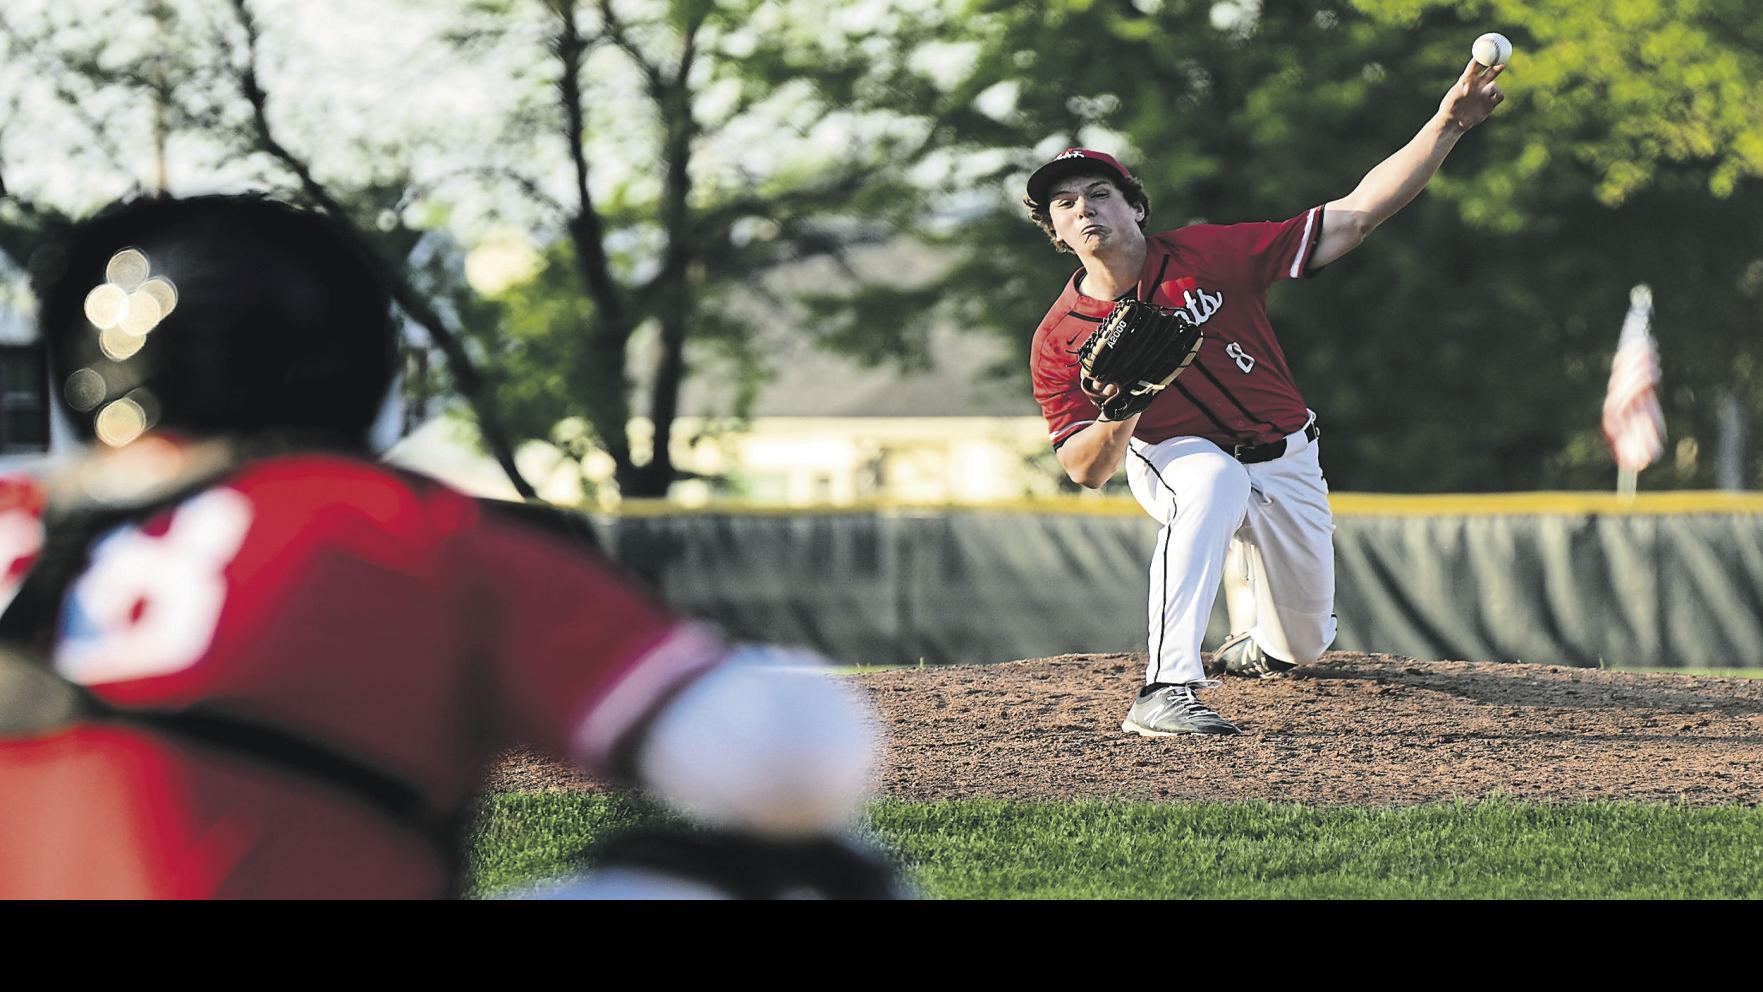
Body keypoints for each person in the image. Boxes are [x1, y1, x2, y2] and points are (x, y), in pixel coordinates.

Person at [0, 194, 884, 898]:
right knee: (803, 880)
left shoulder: (16, 508)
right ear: (350, 357)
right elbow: (791, 765)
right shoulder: (394, 524)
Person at [1024, 60, 1505, 736]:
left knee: (1302, 644)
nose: (1083, 208)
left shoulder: (1206, 254)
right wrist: (1122, 406)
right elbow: (1085, 471)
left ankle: (1260, 650)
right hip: (1173, 454)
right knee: (1211, 478)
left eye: (1098, 192)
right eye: (1065, 203)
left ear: (1133, 206)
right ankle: (1165, 687)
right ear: (1056, 232)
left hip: (1286, 456)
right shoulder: (1058, 337)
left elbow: (1354, 217)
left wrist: (1445, 125)